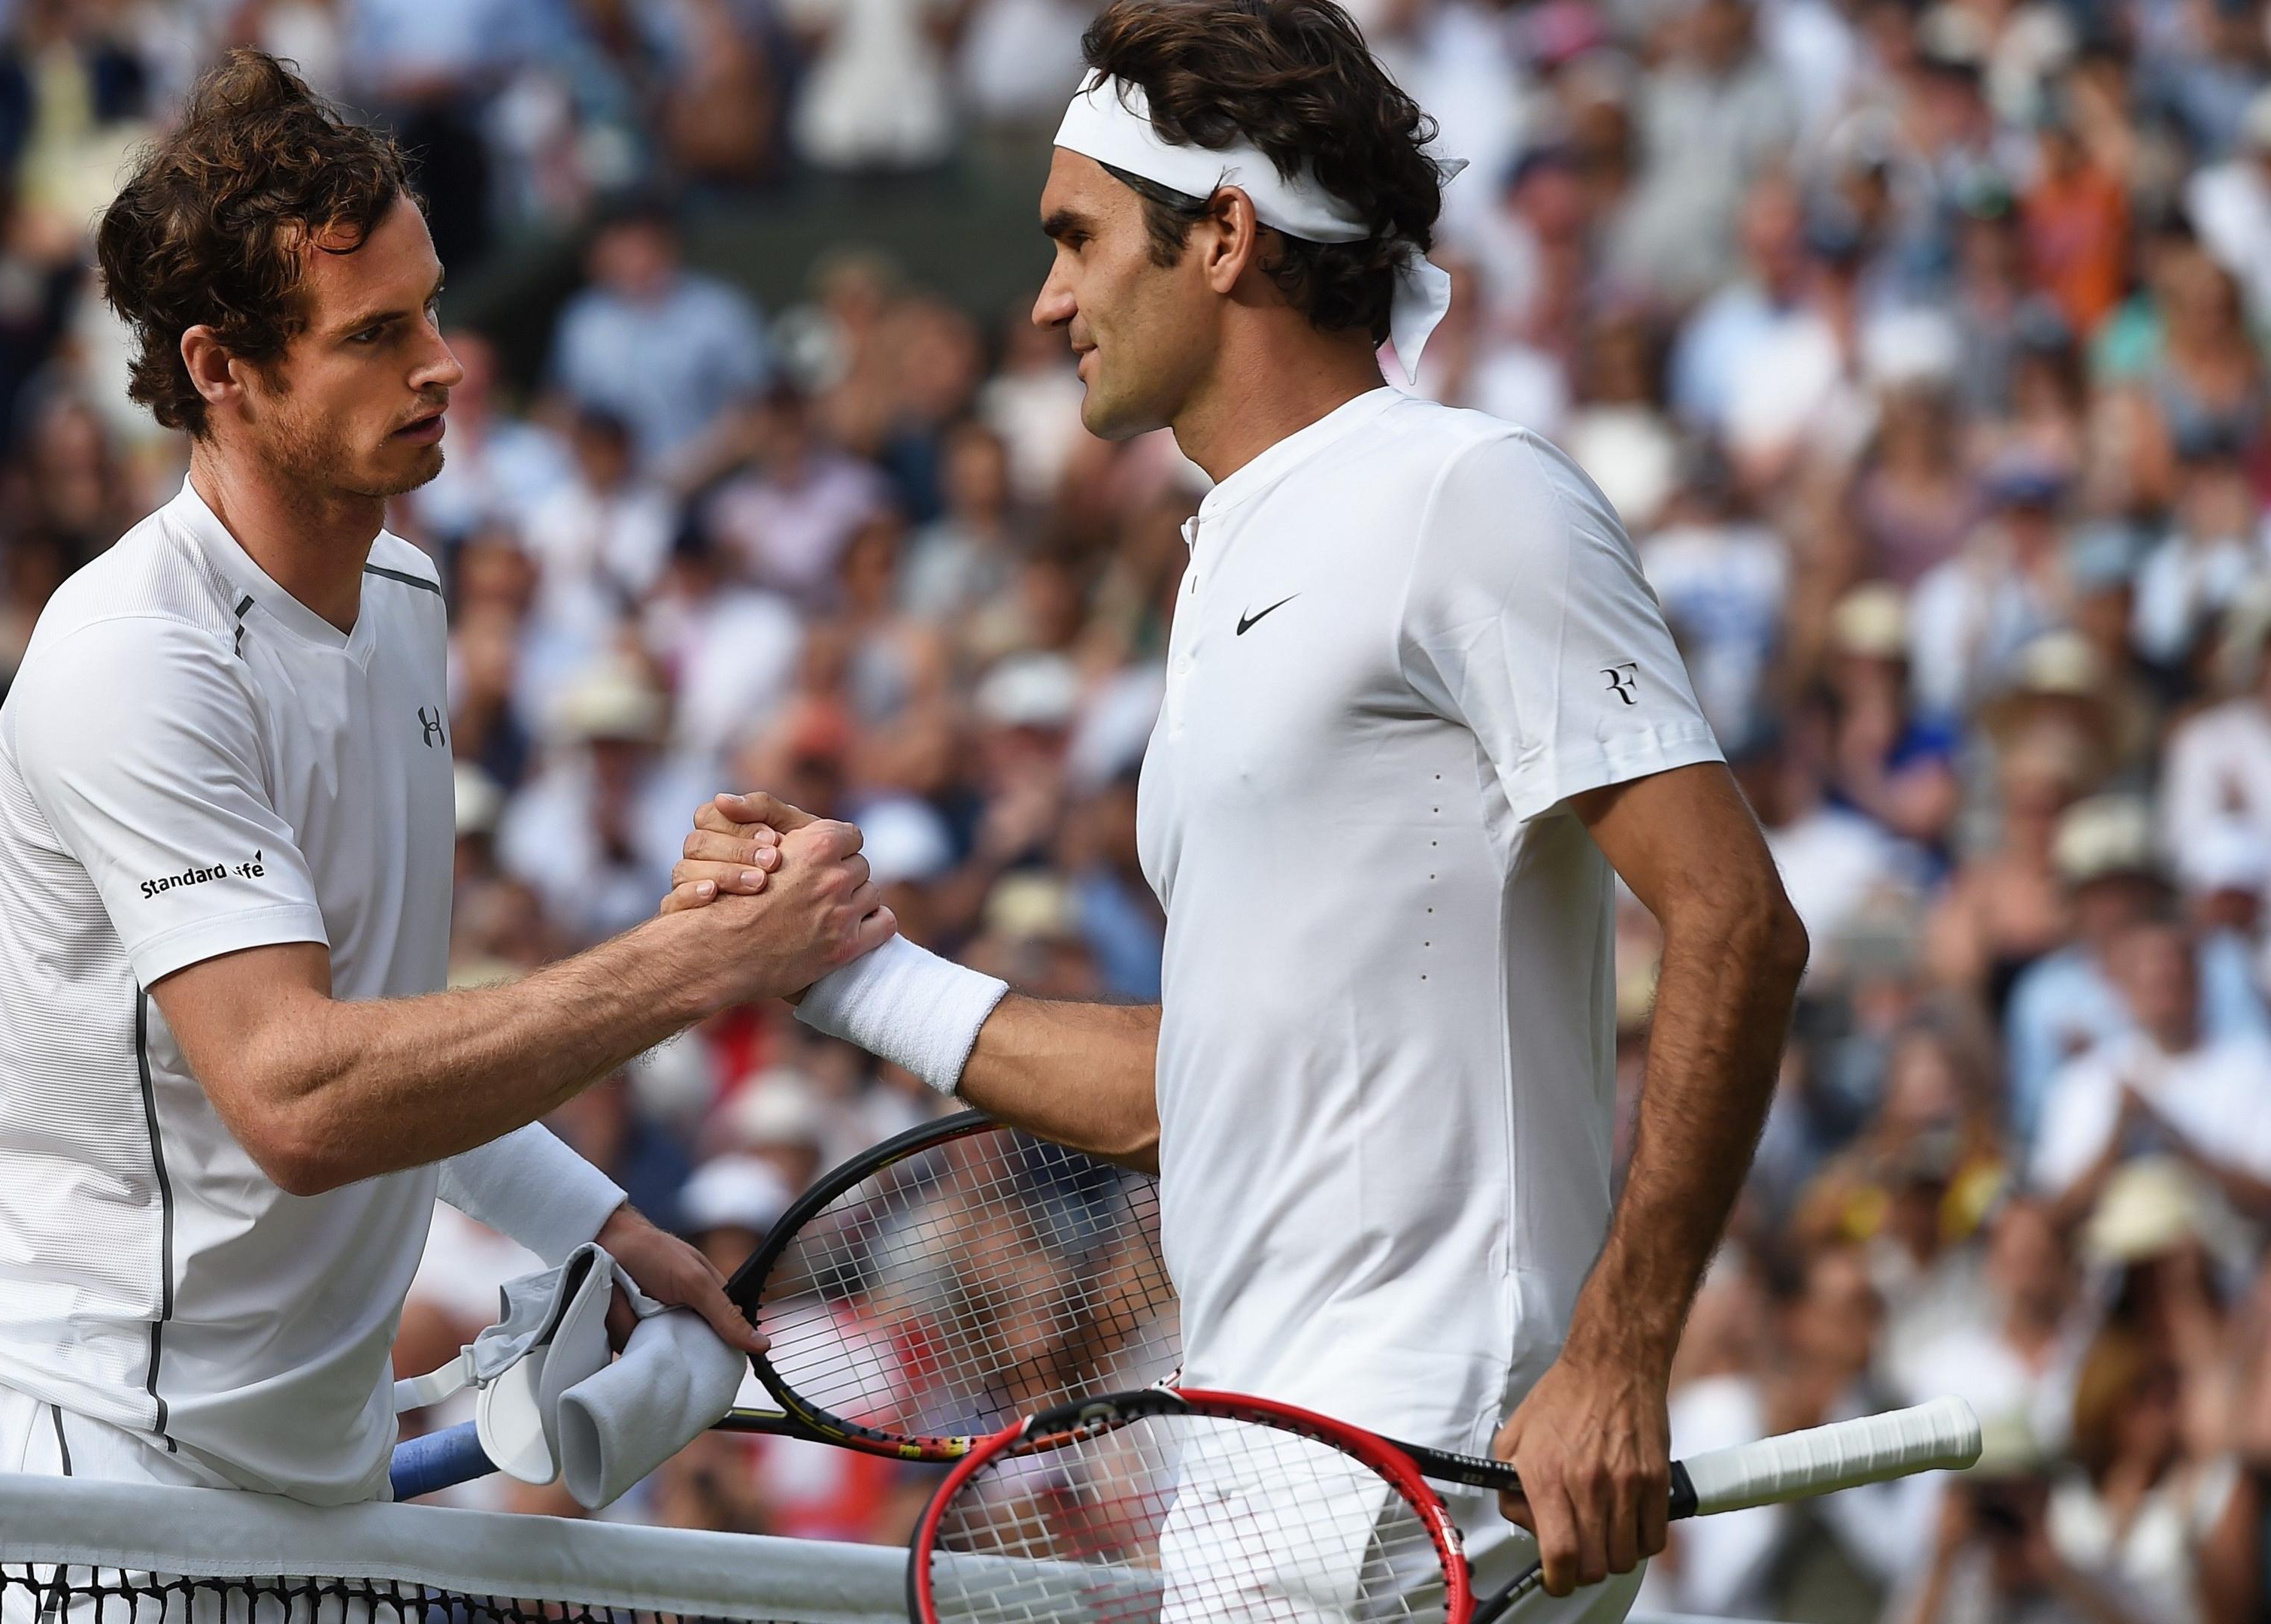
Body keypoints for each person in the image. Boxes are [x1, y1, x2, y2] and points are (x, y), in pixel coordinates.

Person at [667, 2, 1806, 1610]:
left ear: (1221, 237)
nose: (1048, 295)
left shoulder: (1461, 496)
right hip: (1287, 1453)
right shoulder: (1229, 562)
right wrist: (847, 971)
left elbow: (1738, 920)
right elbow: (1200, 1082)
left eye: (1076, 239)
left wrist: (1619, 1355)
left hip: (1412, 1448)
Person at [0, 53, 892, 1509]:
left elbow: (388, 1032)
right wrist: (697, 963)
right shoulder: (133, 658)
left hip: (308, 1474)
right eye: (374, 334)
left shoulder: (407, 599)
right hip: (75, 1456)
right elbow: (302, 1098)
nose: (442, 362)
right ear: (218, 372)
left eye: (429, 309)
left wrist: (600, 1223)